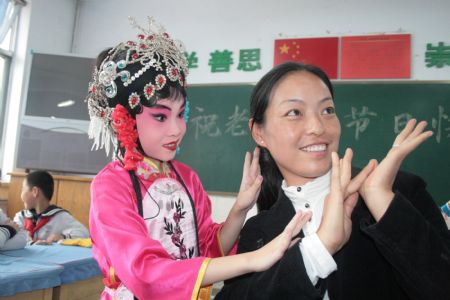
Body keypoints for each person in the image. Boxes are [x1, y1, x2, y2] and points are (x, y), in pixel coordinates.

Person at [86, 17, 313, 300]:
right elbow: (145, 273)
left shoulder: (185, 177)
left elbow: (207, 249)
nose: (178, 128)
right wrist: (254, 258)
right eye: (160, 116)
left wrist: (240, 208)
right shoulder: (111, 185)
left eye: (181, 114)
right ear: (125, 119)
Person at [216, 62, 450, 300]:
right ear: (259, 133)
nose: (318, 127)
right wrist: (318, 250)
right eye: (294, 113)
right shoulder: (258, 231)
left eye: (327, 110)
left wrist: (383, 201)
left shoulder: (399, 192)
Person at [14, 170, 89, 245]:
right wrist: (31, 243)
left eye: (23, 189)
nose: (21, 195)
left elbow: (85, 234)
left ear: (35, 191)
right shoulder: (21, 217)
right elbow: (15, 238)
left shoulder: (60, 216)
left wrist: (63, 237)